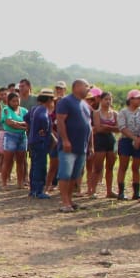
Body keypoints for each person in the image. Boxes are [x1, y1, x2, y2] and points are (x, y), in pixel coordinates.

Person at [54, 79, 92, 212]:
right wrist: (65, 140)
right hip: (69, 146)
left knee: (74, 175)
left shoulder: (84, 104)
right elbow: (60, 121)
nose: (88, 89)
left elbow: (88, 126)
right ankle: (64, 202)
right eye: (86, 86)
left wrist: (90, 145)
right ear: (76, 87)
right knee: (65, 174)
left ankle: (70, 200)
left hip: (81, 146)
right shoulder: (66, 101)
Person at [115, 90, 140, 201]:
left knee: (136, 167)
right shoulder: (123, 112)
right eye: (137, 98)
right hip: (126, 141)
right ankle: (121, 192)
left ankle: (136, 192)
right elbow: (122, 128)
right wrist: (134, 138)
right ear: (130, 99)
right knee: (123, 166)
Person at [89, 91, 120, 198]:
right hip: (99, 141)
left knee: (110, 167)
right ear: (101, 100)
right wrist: (110, 128)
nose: (108, 101)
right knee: (97, 167)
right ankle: (92, 190)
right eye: (106, 99)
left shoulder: (115, 114)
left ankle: (109, 191)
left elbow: (118, 129)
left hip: (110, 141)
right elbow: (98, 128)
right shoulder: (96, 113)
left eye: (109, 99)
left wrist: (106, 127)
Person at [26, 89, 55, 198]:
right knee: (40, 166)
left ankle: (33, 190)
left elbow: (26, 119)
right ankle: (39, 191)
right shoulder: (43, 111)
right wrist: (44, 130)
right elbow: (44, 123)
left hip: (33, 140)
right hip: (41, 142)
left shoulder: (34, 109)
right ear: (48, 100)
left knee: (34, 165)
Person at [0, 91, 28, 188]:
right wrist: (22, 126)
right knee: (7, 160)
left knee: (21, 161)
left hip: (22, 137)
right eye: (13, 101)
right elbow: (9, 122)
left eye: (17, 101)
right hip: (10, 136)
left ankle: (20, 182)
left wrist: (18, 124)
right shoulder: (6, 110)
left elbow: (27, 122)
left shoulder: (24, 110)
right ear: (9, 102)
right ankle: (4, 183)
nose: (15, 103)